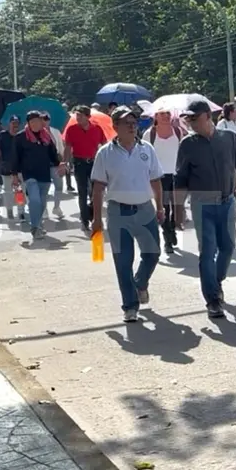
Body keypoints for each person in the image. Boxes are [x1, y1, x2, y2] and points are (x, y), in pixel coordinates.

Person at [175, 99, 236, 318]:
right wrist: (178, 209)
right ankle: (212, 300)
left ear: (207, 116)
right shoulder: (187, 144)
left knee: (228, 247)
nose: (190, 122)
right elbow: (181, 178)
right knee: (207, 252)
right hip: (202, 204)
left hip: (227, 201)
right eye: (188, 119)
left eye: (194, 118)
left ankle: (216, 281)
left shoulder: (228, 138)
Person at [90, 107, 166, 323]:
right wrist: (96, 219)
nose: (132, 126)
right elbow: (97, 188)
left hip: (144, 209)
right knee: (123, 261)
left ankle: (140, 283)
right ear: (115, 127)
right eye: (126, 123)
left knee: (152, 254)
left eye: (134, 122)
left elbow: (156, 181)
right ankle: (130, 306)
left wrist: (159, 207)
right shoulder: (105, 153)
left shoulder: (147, 149)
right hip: (118, 211)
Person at [13, 111, 64, 239]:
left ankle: (37, 225)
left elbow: (53, 154)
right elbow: (15, 158)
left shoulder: (46, 136)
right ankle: (35, 227)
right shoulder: (20, 137)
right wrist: (14, 175)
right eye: (33, 122)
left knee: (42, 203)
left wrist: (60, 164)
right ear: (28, 123)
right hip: (29, 174)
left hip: (45, 174)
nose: (36, 124)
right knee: (34, 200)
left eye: (38, 121)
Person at [145, 108, 185, 254]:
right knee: (164, 208)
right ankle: (167, 239)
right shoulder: (150, 134)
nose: (166, 117)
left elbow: (184, 151)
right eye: (162, 114)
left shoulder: (178, 132)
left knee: (177, 208)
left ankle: (173, 229)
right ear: (155, 116)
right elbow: (144, 155)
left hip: (177, 175)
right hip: (158, 177)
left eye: (168, 114)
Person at [64, 105, 108, 233]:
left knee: (96, 192)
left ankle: (93, 215)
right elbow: (68, 147)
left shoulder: (97, 128)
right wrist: (65, 162)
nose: (78, 117)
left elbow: (104, 144)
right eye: (77, 115)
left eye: (81, 115)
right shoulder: (71, 129)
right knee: (82, 192)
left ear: (88, 117)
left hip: (94, 163)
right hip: (79, 163)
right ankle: (84, 220)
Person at [0, 116, 21, 219]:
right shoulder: (3, 135)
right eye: (13, 122)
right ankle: (9, 210)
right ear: (9, 124)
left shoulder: (21, 135)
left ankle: (20, 210)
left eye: (17, 123)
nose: (15, 125)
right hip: (6, 167)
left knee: (19, 191)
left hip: (19, 168)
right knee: (8, 191)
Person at [43, 113, 66, 219]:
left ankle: (57, 207)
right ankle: (44, 209)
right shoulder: (37, 133)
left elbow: (60, 147)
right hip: (43, 163)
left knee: (59, 186)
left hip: (55, 162)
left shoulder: (55, 131)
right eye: (43, 119)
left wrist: (63, 162)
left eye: (47, 119)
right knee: (44, 188)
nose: (46, 121)